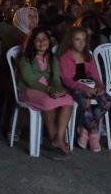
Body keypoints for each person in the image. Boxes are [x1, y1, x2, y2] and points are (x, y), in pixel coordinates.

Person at [17, 27, 74, 158]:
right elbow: (30, 80)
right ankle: (53, 137)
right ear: (31, 42)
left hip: (49, 90)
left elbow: (55, 78)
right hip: (30, 90)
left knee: (69, 99)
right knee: (49, 101)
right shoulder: (25, 58)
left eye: (44, 39)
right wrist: (49, 90)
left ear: (49, 41)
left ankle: (58, 138)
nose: (41, 42)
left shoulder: (52, 58)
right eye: (37, 40)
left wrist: (57, 89)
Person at [58, 27, 111, 152]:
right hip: (73, 88)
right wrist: (85, 89)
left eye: (83, 39)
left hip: (89, 86)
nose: (81, 43)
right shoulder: (65, 57)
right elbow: (66, 79)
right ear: (71, 40)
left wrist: (100, 86)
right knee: (85, 101)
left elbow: (96, 75)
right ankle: (93, 132)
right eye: (77, 39)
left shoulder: (87, 55)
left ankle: (84, 129)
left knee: (106, 100)